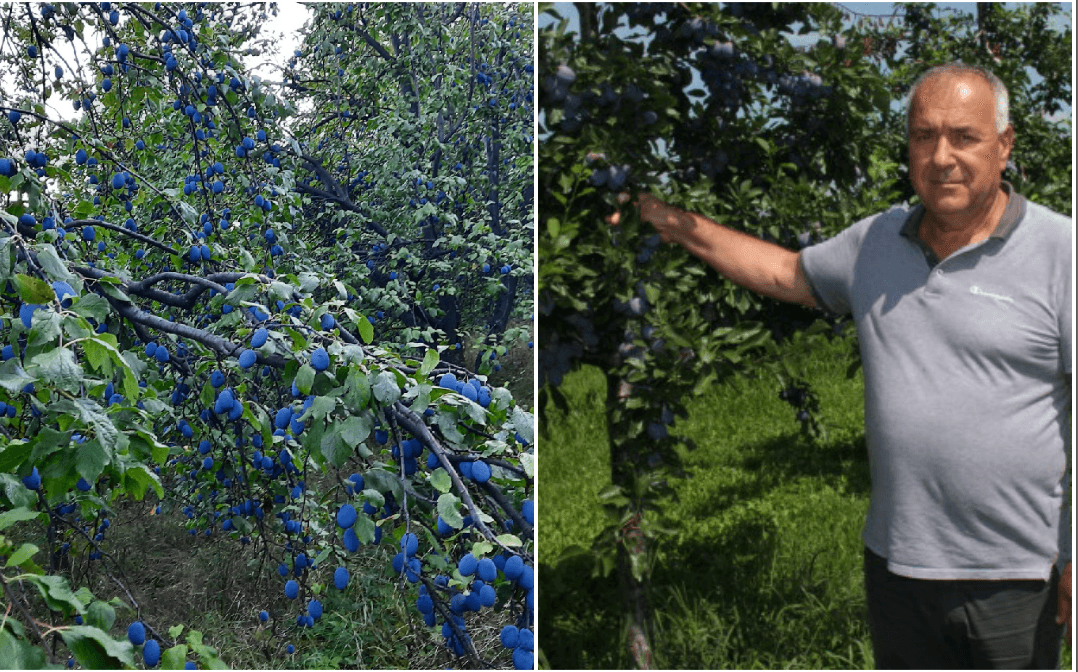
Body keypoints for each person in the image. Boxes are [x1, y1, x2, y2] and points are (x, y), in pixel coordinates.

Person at [609, 62, 1072, 668]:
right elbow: (784, 273)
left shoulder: (1060, 251)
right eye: (923, 136)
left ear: (1004, 145)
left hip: (1019, 576)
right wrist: (671, 222)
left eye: (964, 136)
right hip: (898, 568)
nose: (941, 157)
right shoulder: (876, 242)